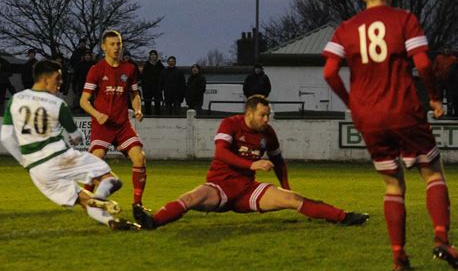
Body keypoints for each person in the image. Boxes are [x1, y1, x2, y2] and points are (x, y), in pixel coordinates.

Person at [323, 0, 457, 271]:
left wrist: (352, 103)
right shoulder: (404, 19)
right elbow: (422, 63)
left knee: (393, 184)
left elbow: (329, 72)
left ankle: (399, 255)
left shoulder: (346, 28)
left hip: (368, 117)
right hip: (403, 109)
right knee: (432, 171)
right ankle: (442, 239)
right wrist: (433, 97)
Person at [134, 95, 369, 230]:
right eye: (262, 115)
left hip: (247, 190)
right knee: (190, 198)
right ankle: (152, 222)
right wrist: (252, 165)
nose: (267, 119)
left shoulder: (268, 134)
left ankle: (345, 217)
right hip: (220, 186)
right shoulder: (230, 124)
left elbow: (278, 161)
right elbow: (221, 153)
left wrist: (285, 184)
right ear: (249, 114)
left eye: (268, 115)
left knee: (293, 199)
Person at [0, 59, 140, 230]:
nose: (61, 83)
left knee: (84, 200)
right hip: (61, 158)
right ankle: (101, 200)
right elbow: (76, 136)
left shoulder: (15, 100)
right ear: (45, 79)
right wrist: (76, 137)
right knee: (112, 180)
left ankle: (111, 222)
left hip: (38, 170)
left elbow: (6, 138)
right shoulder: (57, 104)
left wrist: (24, 162)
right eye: (58, 78)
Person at [80, 30, 149, 215]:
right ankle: (86, 198)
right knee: (96, 159)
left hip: (122, 125)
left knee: (139, 157)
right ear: (104, 47)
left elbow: (134, 94)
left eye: (118, 44)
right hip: (102, 125)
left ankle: (137, 204)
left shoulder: (129, 69)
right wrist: (97, 114)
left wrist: (138, 109)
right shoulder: (96, 70)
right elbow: (83, 101)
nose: (116, 47)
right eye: (112, 44)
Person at [433, 44, 456, 112]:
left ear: (450, 50)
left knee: (450, 96)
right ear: (443, 50)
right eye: (445, 48)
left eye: (448, 48)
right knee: (439, 96)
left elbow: (455, 70)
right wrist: (436, 75)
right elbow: (434, 68)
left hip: (450, 81)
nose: (447, 50)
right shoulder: (438, 57)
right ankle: (439, 111)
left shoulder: (453, 58)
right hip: (440, 80)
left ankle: (450, 110)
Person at [141, 50, 164, 116]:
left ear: (156, 56)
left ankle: (158, 117)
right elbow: (143, 78)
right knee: (147, 103)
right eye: (151, 55)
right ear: (149, 56)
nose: (153, 56)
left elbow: (162, 77)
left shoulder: (160, 66)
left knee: (157, 104)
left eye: (154, 54)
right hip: (148, 88)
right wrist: (144, 87)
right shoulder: (146, 65)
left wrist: (160, 87)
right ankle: (148, 117)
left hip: (157, 88)